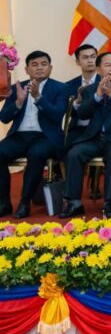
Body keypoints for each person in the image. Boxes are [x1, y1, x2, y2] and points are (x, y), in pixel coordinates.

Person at [60, 52, 111, 218]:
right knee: (74, 154)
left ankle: (108, 203)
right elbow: (82, 114)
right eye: (108, 65)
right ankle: (74, 202)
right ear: (98, 69)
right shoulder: (90, 90)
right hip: (94, 138)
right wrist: (96, 97)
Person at [0, 51, 67, 218]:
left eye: (44, 64)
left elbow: (57, 115)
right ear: (26, 69)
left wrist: (38, 97)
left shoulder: (60, 88)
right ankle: (4, 202)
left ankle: (25, 203)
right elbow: (4, 118)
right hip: (19, 136)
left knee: (36, 154)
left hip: (46, 137)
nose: (39, 68)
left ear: (50, 68)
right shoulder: (17, 88)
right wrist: (18, 102)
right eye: (34, 65)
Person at [64, 43, 98, 146]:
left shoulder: (106, 83)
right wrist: (77, 102)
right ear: (78, 62)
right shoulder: (69, 85)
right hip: (77, 129)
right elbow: (67, 112)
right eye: (85, 57)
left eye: (93, 57)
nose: (90, 60)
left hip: (99, 130)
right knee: (63, 148)